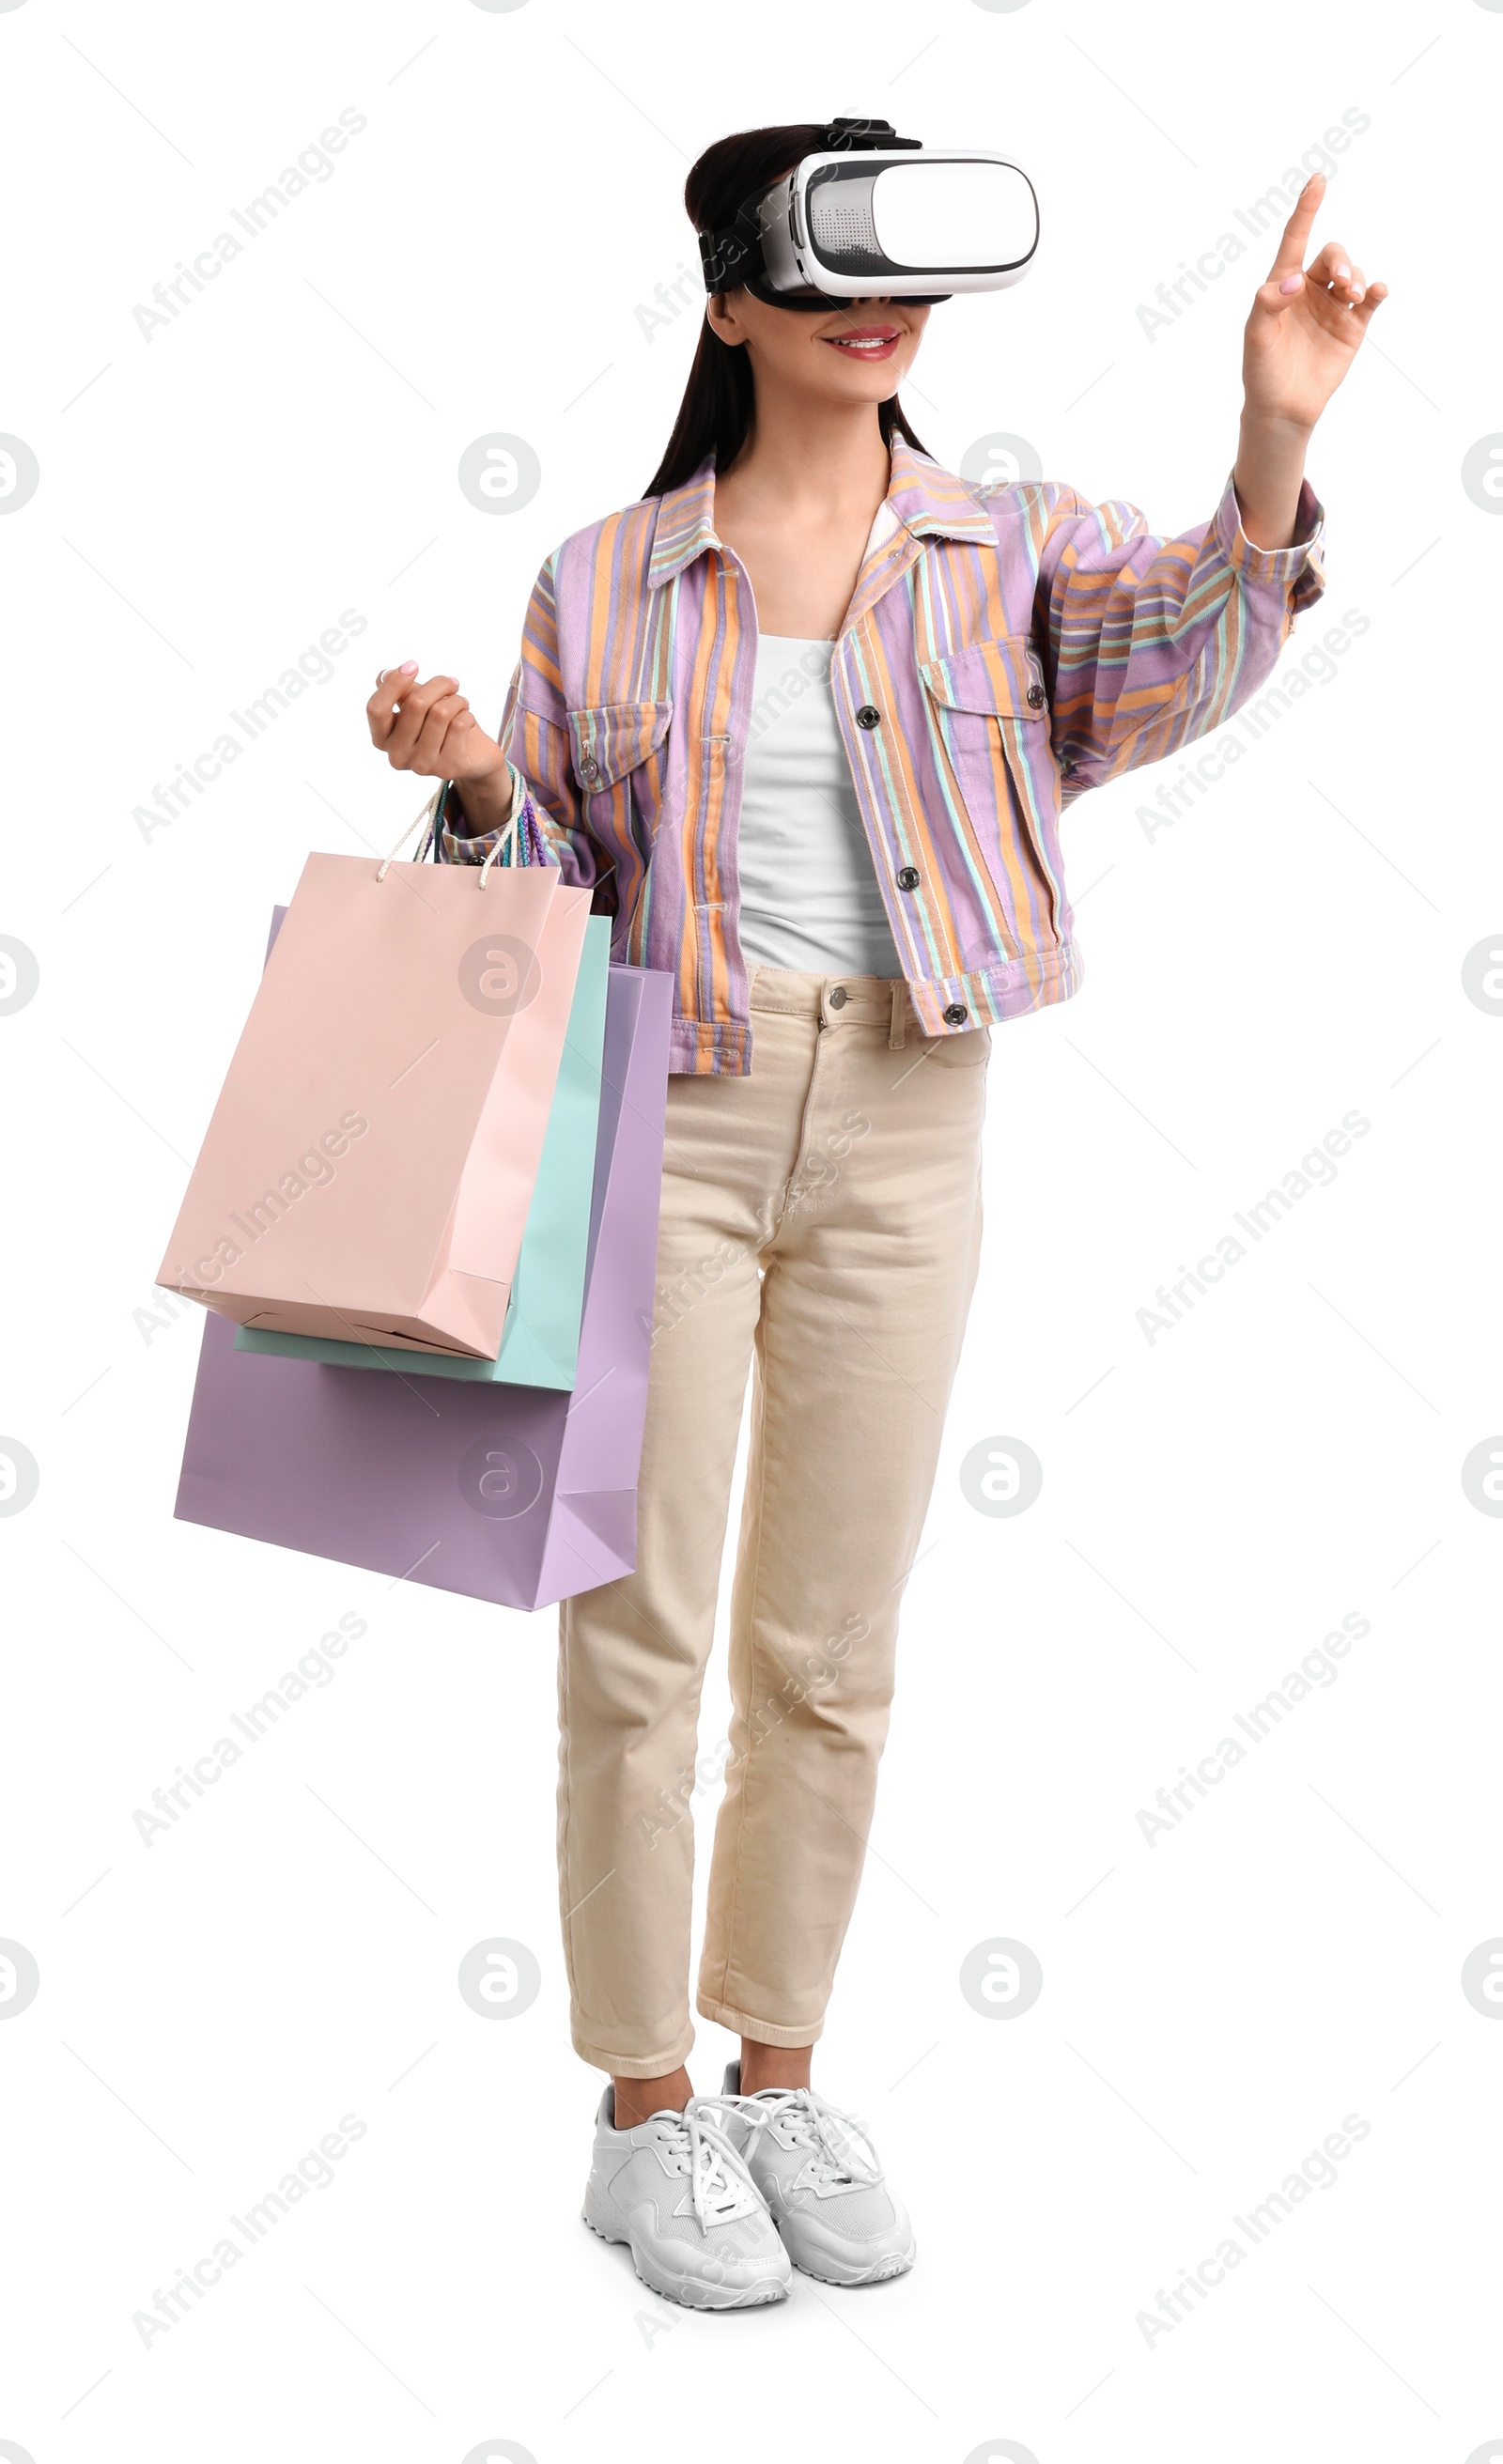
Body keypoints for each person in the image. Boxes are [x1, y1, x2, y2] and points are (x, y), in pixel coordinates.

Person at [365, 121, 1385, 2308]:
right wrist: (471, 782)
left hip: (912, 1119)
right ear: (730, 301)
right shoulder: (600, 580)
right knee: (634, 1637)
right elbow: (538, 922)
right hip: (676, 1114)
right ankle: (645, 2115)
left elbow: (1184, 662)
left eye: (905, 262)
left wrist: (1268, 435)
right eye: (825, 263)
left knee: (826, 1650)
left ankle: (779, 2072)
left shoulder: (999, 550)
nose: (878, 301)